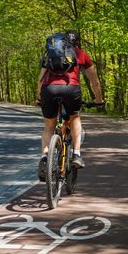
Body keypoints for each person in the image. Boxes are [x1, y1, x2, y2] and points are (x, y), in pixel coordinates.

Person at [37, 30, 104, 182]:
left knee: (49, 126)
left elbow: (40, 79)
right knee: (74, 117)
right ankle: (76, 155)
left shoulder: (51, 54)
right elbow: (95, 82)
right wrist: (99, 100)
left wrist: (39, 97)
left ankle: (44, 158)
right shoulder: (81, 54)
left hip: (49, 89)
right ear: (77, 42)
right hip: (71, 89)